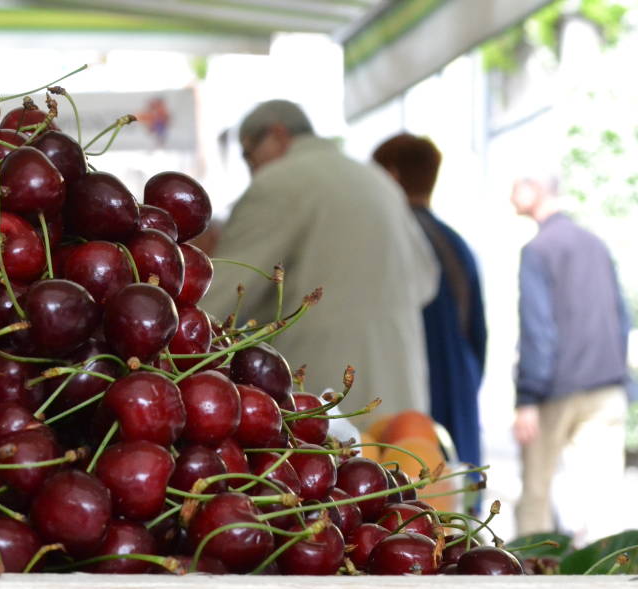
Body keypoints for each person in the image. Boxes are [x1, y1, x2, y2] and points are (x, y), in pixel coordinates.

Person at [202, 100, 439, 419]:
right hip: (400, 392)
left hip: (325, 396)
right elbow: (426, 282)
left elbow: (220, 296)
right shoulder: (377, 180)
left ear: (277, 135)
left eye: (249, 155)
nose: (251, 168)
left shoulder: (279, 182)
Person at [510, 174, 631, 538]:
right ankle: (606, 588)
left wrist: (527, 396)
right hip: (606, 387)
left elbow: (537, 328)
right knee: (602, 502)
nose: (510, 194)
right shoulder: (595, 244)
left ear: (533, 190)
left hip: (554, 391)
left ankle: (532, 585)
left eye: (515, 185)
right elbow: (622, 317)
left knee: (536, 497)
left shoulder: (538, 250)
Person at [371, 133, 487, 470]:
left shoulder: (396, 239)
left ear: (390, 176)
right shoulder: (457, 243)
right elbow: (478, 333)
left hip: (417, 388)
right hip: (459, 383)